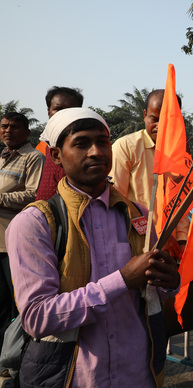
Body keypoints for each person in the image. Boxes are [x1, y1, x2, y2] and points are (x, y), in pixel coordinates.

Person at [6, 107, 179, 387]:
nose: (97, 152)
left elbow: (153, 296)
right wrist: (121, 280)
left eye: (102, 141)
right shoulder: (35, 223)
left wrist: (169, 282)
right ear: (57, 156)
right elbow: (37, 317)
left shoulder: (141, 216)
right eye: (82, 143)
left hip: (139, 374)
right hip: (72, 376)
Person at [110, 89, 189, 251]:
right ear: (145, 115)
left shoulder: (181, 154)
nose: (160, 127)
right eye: (154, 119)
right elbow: (116, 202)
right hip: (135, 244)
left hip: (171, 248)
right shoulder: (126, 147)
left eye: (168, 120)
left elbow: (181, 201)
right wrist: (153, 236)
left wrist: (182, 240)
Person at [0, 112, 45, 353]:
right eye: (4, 126)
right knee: (1, 305)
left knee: (21, 305)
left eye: (15, 127)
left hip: (14, 244)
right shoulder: (1, 156)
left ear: (27, 132)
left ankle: (20, 360)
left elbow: (33, 195)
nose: (8, 131)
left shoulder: (33, 157)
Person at [36, 86, 84, 201]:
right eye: (58, 109)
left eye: (71, 110)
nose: (64, 114)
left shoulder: (86, 143)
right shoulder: (44, 143)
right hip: (44, 210)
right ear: (49, 112)